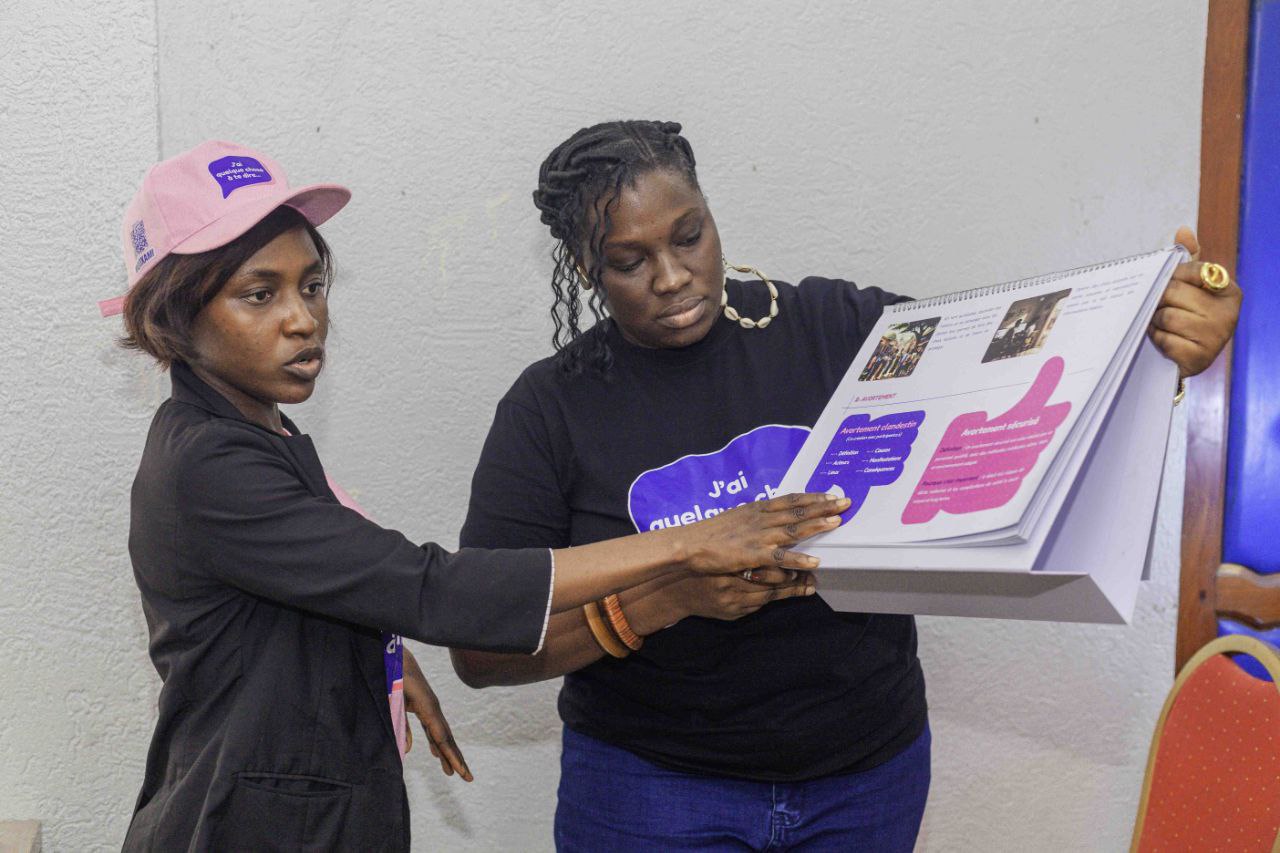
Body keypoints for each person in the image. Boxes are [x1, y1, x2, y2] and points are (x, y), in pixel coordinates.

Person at [450, 120, 1241, 852]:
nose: (671, 275)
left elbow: (1011, 383)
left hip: (867, 775)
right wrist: (669, 597)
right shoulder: (550, 408)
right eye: (629, 261)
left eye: (689, 236)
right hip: (652, 790)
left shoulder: (835, 328)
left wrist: (1156, 341)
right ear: (587, 266)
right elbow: (482, 648)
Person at [109, 139, 848, 851]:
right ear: (175, 315)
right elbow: (431, 587)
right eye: (258, 295)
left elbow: (324, 579)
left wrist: (383, 655)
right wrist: (689, 544)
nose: (302, 319)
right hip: (243, 824)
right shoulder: (208, 466)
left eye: (311, 285)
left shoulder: (260, 433)